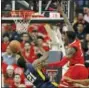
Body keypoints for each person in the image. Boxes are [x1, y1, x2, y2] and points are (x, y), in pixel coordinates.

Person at [48, 6, 89, 87]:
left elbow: (61, 63)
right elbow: (68, 24)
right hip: (83, 69)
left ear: (68, 37)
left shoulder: (71, 48)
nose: (64, 37)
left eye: (65, 35)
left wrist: (47, 64)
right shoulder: (76, 39)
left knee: (61, 85)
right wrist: (62, 13)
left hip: (75, 69)